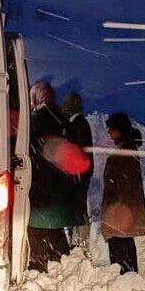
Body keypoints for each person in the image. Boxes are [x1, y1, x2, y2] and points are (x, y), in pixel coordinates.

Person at [26, 81, 77, 270]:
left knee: (36, 225)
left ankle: (38, 261)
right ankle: (61, 257)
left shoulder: (35, 120)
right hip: (59, 184)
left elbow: (28, 149)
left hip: (40, 182)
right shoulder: (62, 120)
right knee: (54, 226)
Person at [101, 112, 145, 275]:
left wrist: (114, 210)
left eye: (111, 129)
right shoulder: (127, 149)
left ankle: (125, 279)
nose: (109, 133)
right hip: (123, 211)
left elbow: (123, 185)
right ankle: (127, 277)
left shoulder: (124, 153)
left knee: (121, 249)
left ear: (118, 130)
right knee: (125, 245)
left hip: (121, 213)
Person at [60, 91, 94, 249]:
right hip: (79, 175)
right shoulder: (79, 123)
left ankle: (81, 242)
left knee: (79, 208)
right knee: (78, 207)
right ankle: (79, 240)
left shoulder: (78, 125)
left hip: (78, 175)